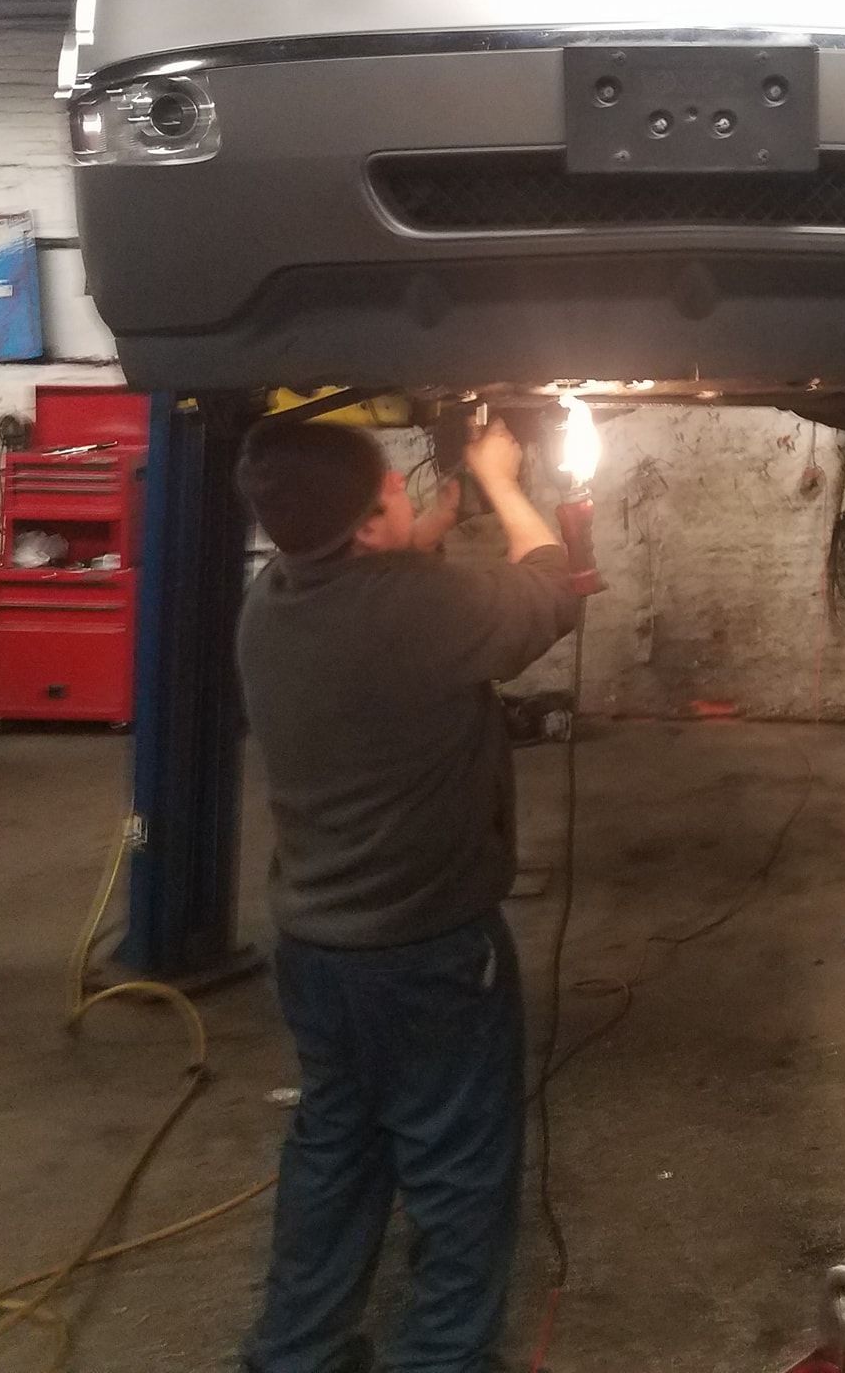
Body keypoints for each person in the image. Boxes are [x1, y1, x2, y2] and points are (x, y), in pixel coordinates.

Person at [234, 414, 580, 1373]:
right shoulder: (420, 612)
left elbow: (370, 581)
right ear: (370, 518)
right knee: (460, 1170)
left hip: (313, 950)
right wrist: (504, 482)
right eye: (391, 488)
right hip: (427, 953)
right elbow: (553, 589)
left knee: (334, 1152)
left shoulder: (271, 600)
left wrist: (423, 527)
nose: (402, 494)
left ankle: (294, 1355)